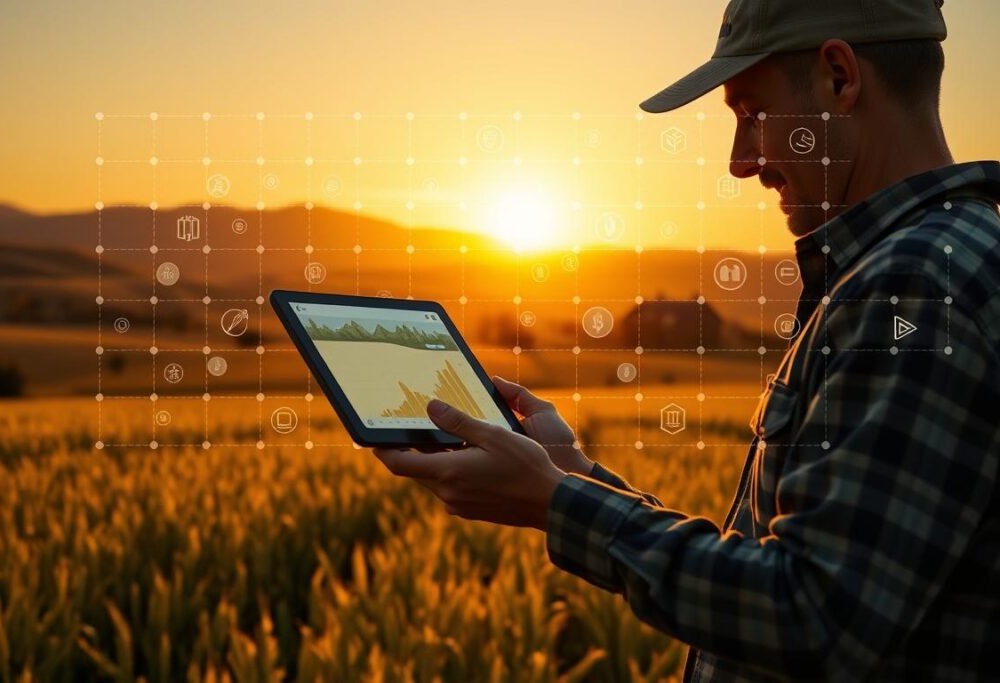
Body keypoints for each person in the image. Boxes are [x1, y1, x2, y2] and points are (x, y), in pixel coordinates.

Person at [373, 0, 1000, 680]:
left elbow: (816, 616)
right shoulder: (941, 261)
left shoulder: (913, 286)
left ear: (839, 78)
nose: (740, 161)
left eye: (751, 113)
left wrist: (552, 501)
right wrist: (571, 475)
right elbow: (797, 567)